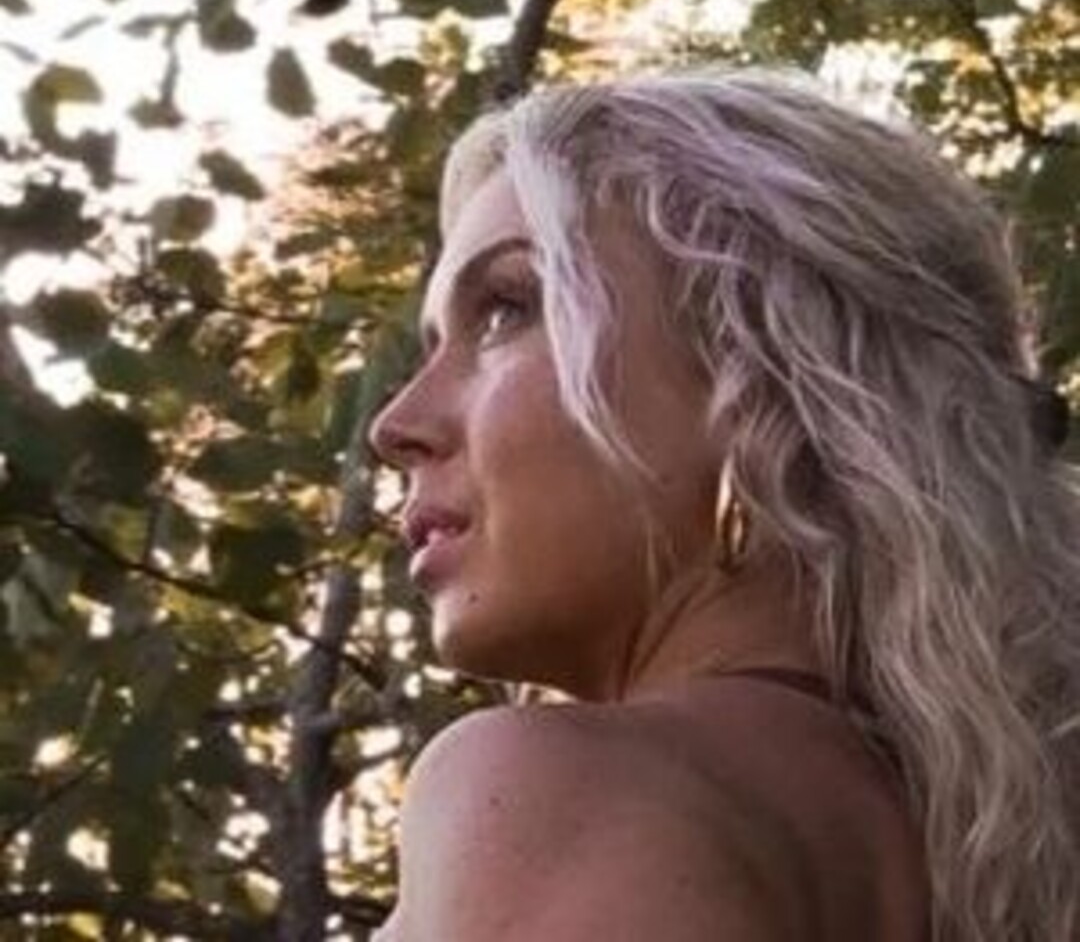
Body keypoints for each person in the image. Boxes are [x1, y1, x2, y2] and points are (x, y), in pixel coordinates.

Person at [366, 68, 1080, 942]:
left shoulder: (552, 794)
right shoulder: (978, 855)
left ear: (757, 383)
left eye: (507, 310)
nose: (395, 425)